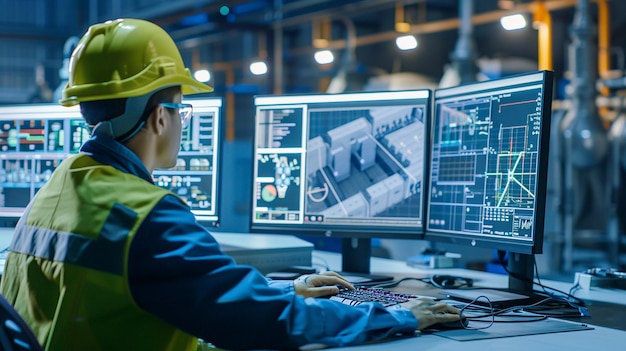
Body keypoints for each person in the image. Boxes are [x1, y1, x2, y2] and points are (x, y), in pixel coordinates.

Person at [0, 18, 460, 351]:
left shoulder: (61, 185)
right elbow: (263, 323)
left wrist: (283, 291)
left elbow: (182, 295)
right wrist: (398, 317)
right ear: (160, 117)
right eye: (183, 109)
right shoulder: (144, 214)